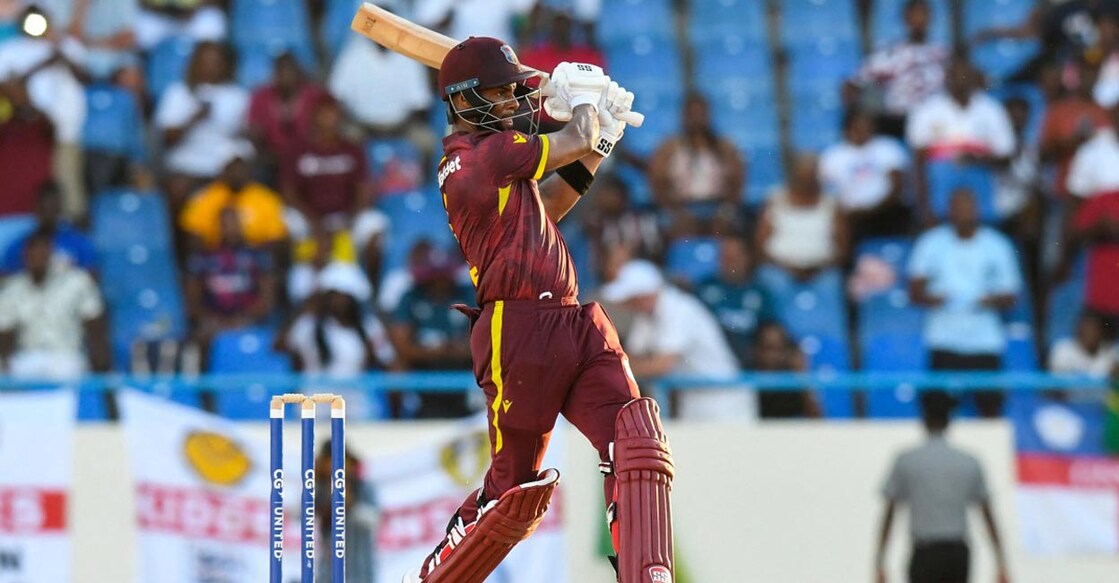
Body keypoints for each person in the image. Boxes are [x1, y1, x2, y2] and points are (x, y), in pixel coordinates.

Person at [403, 38, 673, 583]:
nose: (513, 103)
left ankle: (647, 574)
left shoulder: (501, 163)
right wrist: (584, 111)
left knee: (635, 438)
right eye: (501, 94)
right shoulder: (477, 156)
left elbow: (548, 206)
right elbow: (573, 136)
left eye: (513, 92)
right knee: (514, 494)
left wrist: (600, 141)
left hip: (572, 320)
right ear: (464, 101)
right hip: (517, 331)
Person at [908, 189, 1022, 418]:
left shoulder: (997, 245)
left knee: (990, 408)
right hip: (943, 338)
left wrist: (989, 300)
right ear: (949, 210)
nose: (963, 212)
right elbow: (914, 291)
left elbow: (1011, 296)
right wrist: (935, 298)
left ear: (977, 209)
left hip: (985, 341)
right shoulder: (931, 243)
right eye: (957, 207)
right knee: (937, 408)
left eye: (968, 206)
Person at [874, 391, 1010, 583]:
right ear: (949, 421)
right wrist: (1001, 562)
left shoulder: (907, 460)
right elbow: (987, 515)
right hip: (957, 554)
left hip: (924, 552)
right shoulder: (968, 461)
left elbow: (889, 515)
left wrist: (879, 562)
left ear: (923, 419)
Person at [602, 259, 749, 421]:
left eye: (629, 298)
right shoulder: (646, 315)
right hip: (692, 397)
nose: (625, 304)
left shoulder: (679, 309)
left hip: (724, 398)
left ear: (644, 296)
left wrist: (612, 374)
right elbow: (629, 357)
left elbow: (662, 365)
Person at [276, 262, 396, 420]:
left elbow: (387, 361)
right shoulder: (308, 325)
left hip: (354, 404)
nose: (338, 301)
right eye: (333, 295)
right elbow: (280, 346)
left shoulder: (369, 327)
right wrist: (308, 306)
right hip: (314, 402)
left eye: (343, 295)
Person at [906, 56, 1016, 226]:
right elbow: (918, 163)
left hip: (981, 187)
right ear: (947, 78)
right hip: (940, 192)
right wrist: (924, 208)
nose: (960, 80)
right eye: (955, 75)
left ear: (973, 78)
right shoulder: (927, 110)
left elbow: (1006, 156)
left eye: (965, 75)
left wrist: (976, 159)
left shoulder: (992, 110)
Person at [0, 228, 109, 379]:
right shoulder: (12, 289)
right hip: (28, 359)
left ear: (51, 253)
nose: (38, 256)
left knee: (67, 370)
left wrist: (99, 366)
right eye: (33, 252)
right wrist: (5, 363)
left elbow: (95, 327)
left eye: (43, 251)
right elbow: (4, 332)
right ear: (24, 256)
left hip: (66, 357)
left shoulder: (76, 282)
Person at [154, 41, 248, 209]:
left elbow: (245, 135)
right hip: (187, 165)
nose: (210, 66)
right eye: (205, 61)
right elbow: (167, 139)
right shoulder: (177, 93)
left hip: (224, 166)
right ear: (195, 63)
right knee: (176, 190)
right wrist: (193, 119)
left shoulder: (237, 95)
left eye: (215, 61)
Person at [387, 242, 476, 418]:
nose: (439, 282)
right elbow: (401, 345)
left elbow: (486, 336)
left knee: (492, 362)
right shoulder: (411, 296)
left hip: (463, 360)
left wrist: (460, 349)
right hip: (423, 361)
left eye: (443, 275)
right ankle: (395, 420)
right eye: (434, 276)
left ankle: (485, 415)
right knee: (396, 368)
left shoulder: (467, 294)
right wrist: (432, 352)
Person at [183, 207, 277, 364]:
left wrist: (241, 320)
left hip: (249, 320)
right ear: (218, 227)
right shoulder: (203, 259)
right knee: (199, 339)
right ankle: (205, 387)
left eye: (234, 223)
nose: (230, 229)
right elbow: (192, 301)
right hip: (213, 322)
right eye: (225, 224)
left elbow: (267, 299)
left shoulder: (259, 257)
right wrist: (215, 320)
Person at [648, 91, 745, 236]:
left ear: (708, 116)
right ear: (684, 117)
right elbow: (657, 183)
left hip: (717, 206)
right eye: (692, 114)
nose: (697, 119)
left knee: (727, 226)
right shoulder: (669, 148)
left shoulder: (725, 148)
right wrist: (674, 211)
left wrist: (725, 211)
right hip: (681, 207)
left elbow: (737, 182)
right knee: (674, 226)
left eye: (701, 114)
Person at [847, 0, 948, 139]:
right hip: (898, 123)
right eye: (914, 14)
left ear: (931, 17)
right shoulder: (890, 53)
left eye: (923, 14)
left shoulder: (943, 54)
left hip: (935, 124)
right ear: (905, 18)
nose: (919, 19)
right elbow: (855, 83)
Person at [819, 109, 911, 243]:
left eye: (867, 126)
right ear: (847, 129)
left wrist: (871, 210)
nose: (864, 131)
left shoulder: (887, 147)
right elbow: (826, 191)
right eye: (859, 127)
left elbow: (897, 187)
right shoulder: (832, 156)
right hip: (849, 216)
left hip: (885, 212)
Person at [178, 140, 288, 252]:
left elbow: (276, 238)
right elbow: (193, 236)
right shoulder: (206, 197)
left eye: (241, 166)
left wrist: (248, 254)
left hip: (255, 260)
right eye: (233, 166)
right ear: (224, 169)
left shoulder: (266, 198)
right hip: (215, 261)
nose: (238, 171)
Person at [694, 233, 776, 367]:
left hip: (749, 360)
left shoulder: (759, 291)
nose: (729, 263)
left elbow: (769, 329)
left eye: (734, 258)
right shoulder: (705, 287)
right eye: (725, 258)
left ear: (747, 258)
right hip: (711, 357)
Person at [315, 439, 378, 583]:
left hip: (361, 574)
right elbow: (297, 515)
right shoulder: (319, 489)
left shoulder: (364, 488)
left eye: (341, 460)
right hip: (327, 575)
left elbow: (374, 519)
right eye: (329, 460)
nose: (335, 466)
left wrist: (350, 504)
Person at [0, 182, 97, 275]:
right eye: (44, 209)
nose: (48, 215)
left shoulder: (79, 243)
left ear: (60, 209)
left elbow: (92, 277)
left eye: (52, 209)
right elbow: (5, 281)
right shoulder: (19, 246)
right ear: (36, 209)